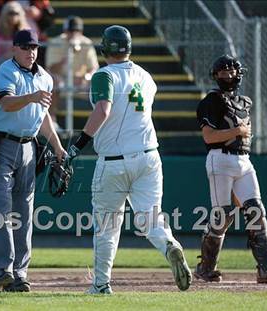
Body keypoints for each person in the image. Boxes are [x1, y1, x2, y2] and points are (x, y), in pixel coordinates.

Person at [66, 25, 192, 294]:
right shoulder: (146, 76)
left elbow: (103, 109)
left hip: (114, 160)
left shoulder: (104, 75)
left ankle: (101, 284)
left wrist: (79, 145)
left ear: (104, 48)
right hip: (149, 156)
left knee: (107, 226)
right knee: (150, 218)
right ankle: (168, 244)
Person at [0, 29, 66, 292]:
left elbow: (43, 116)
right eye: (24, 47)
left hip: (29, 147)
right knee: (0, 208)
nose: (30, 51)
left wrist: (57, 146)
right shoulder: (5, 72)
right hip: (1, 143)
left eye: (34, 46)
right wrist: (32, 97)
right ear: (14, 49)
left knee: (24, 212)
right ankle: (3, 270)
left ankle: (20, 273)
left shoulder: (45, 77)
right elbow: (6, 103)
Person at [195, 55, 267, 283]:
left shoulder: (245, 102)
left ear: (239, 74)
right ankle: (205, 267)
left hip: (244, 160)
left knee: (256, 211)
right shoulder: (210, 101)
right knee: (221, 216)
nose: (228, 75)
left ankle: (266, 269)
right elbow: (209, 136)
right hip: (219, 159)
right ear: (215, 76)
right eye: (223, 72)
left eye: (231, 71)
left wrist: (239, 132)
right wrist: (236, 132)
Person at [45, 15, 99, 125]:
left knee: (101, 85)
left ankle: (97, 124)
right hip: (61, 81)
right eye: (71, 30)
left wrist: (86, 77)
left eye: (77, 30)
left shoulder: (86, 43)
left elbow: (94, 68)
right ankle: (52, 120)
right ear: (65, 31)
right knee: (53, 81)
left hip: (81, 82)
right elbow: (51, 68)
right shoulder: (56, 42)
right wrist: (68, 55)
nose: (74, 33)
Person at [0, 1, 30, 71]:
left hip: (19, 61)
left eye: (16, 13)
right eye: (11, 13)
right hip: (0, 60)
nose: (14, 16)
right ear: (5, 14)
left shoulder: (26, 31)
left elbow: (26, 50)